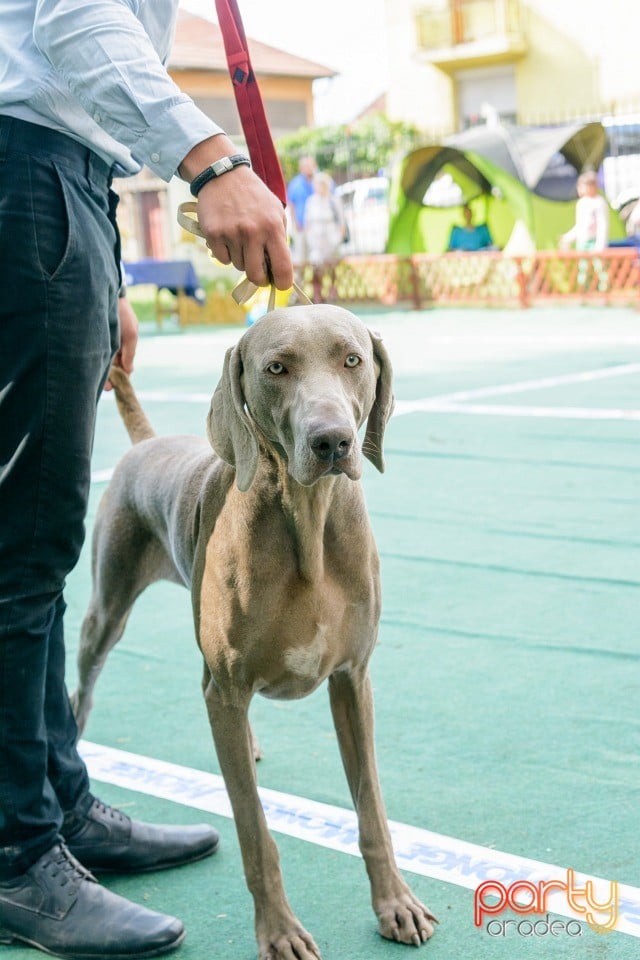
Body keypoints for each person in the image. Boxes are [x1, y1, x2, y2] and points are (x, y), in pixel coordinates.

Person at [0, 2, 292, 958]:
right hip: (24, 166)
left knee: (30, 538)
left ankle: (56, 809)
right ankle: (17, 854)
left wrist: (99, 266)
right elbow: (74, 12)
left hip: (55, 175)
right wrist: (211, 157)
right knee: (23, 541)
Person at [560, 170, 610, 289]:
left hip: (594, 241)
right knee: (583, 268)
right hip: (582, 242)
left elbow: (603, 225)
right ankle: (584, 290)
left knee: (600, 267)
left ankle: (605, 290)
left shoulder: (599, 203)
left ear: (593, 186)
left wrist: (600, 244)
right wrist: (568, 237)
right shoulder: (581, 204)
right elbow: (580, 226)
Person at [303, 172, 346, 302]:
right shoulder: (311, 201)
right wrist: (309, 237)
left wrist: (338, 238)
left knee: (332, 265)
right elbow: (307, 222)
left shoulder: (334, 200)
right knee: (316, 265)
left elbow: (341, 221)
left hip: (331, 237)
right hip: (316, 239)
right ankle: (317, 294)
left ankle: (332, 290)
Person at [286, 154, 317, 270]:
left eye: (310, 166)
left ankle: (316, 285)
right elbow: (291, 205)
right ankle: (300, 284)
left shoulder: (320, 181)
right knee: (300, 257)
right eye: (305, 166)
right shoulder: (295, 184)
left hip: (316, 228)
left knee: (316, 260)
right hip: (300, 227)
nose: (308, 169)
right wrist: (295, 222)